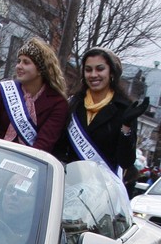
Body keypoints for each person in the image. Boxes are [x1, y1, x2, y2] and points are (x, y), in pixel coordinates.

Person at [55, 47, 148, 193]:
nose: (93, 75)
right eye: (88, 70)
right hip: (69, 186)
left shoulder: (124, 109)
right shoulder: (73, 104)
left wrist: (126, 127)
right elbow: (59, 147)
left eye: (100, 69)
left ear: (111, 72)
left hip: (103, 193)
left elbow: (126, 161)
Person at [0, 37, 69, 155]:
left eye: (26, 62)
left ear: (41, 69)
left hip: (30, 165)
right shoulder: (4, 90)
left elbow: (43, 146)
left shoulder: (57, 103)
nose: (19, 66)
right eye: (18, 61)